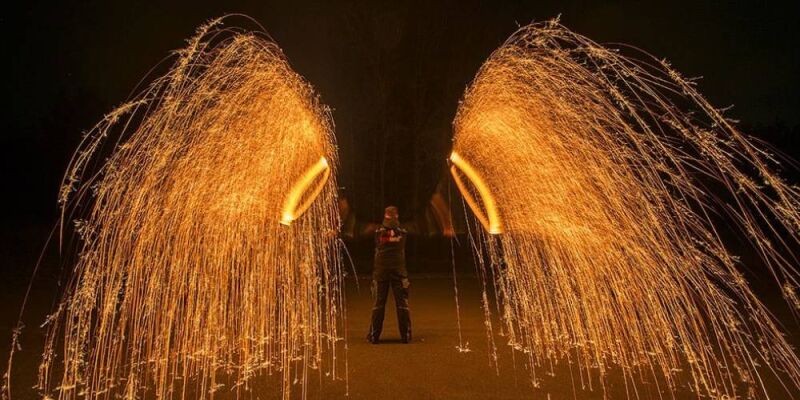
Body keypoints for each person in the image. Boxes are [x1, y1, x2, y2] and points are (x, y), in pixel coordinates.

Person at [367, 206, 412, 343]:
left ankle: (374, 336)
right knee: (402, 304)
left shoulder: (378, 233)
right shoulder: (403, 233)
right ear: (397, 217)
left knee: (378, 304)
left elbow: (378, 242)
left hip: (381, 272)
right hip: (399, 272)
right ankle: (405, 336)